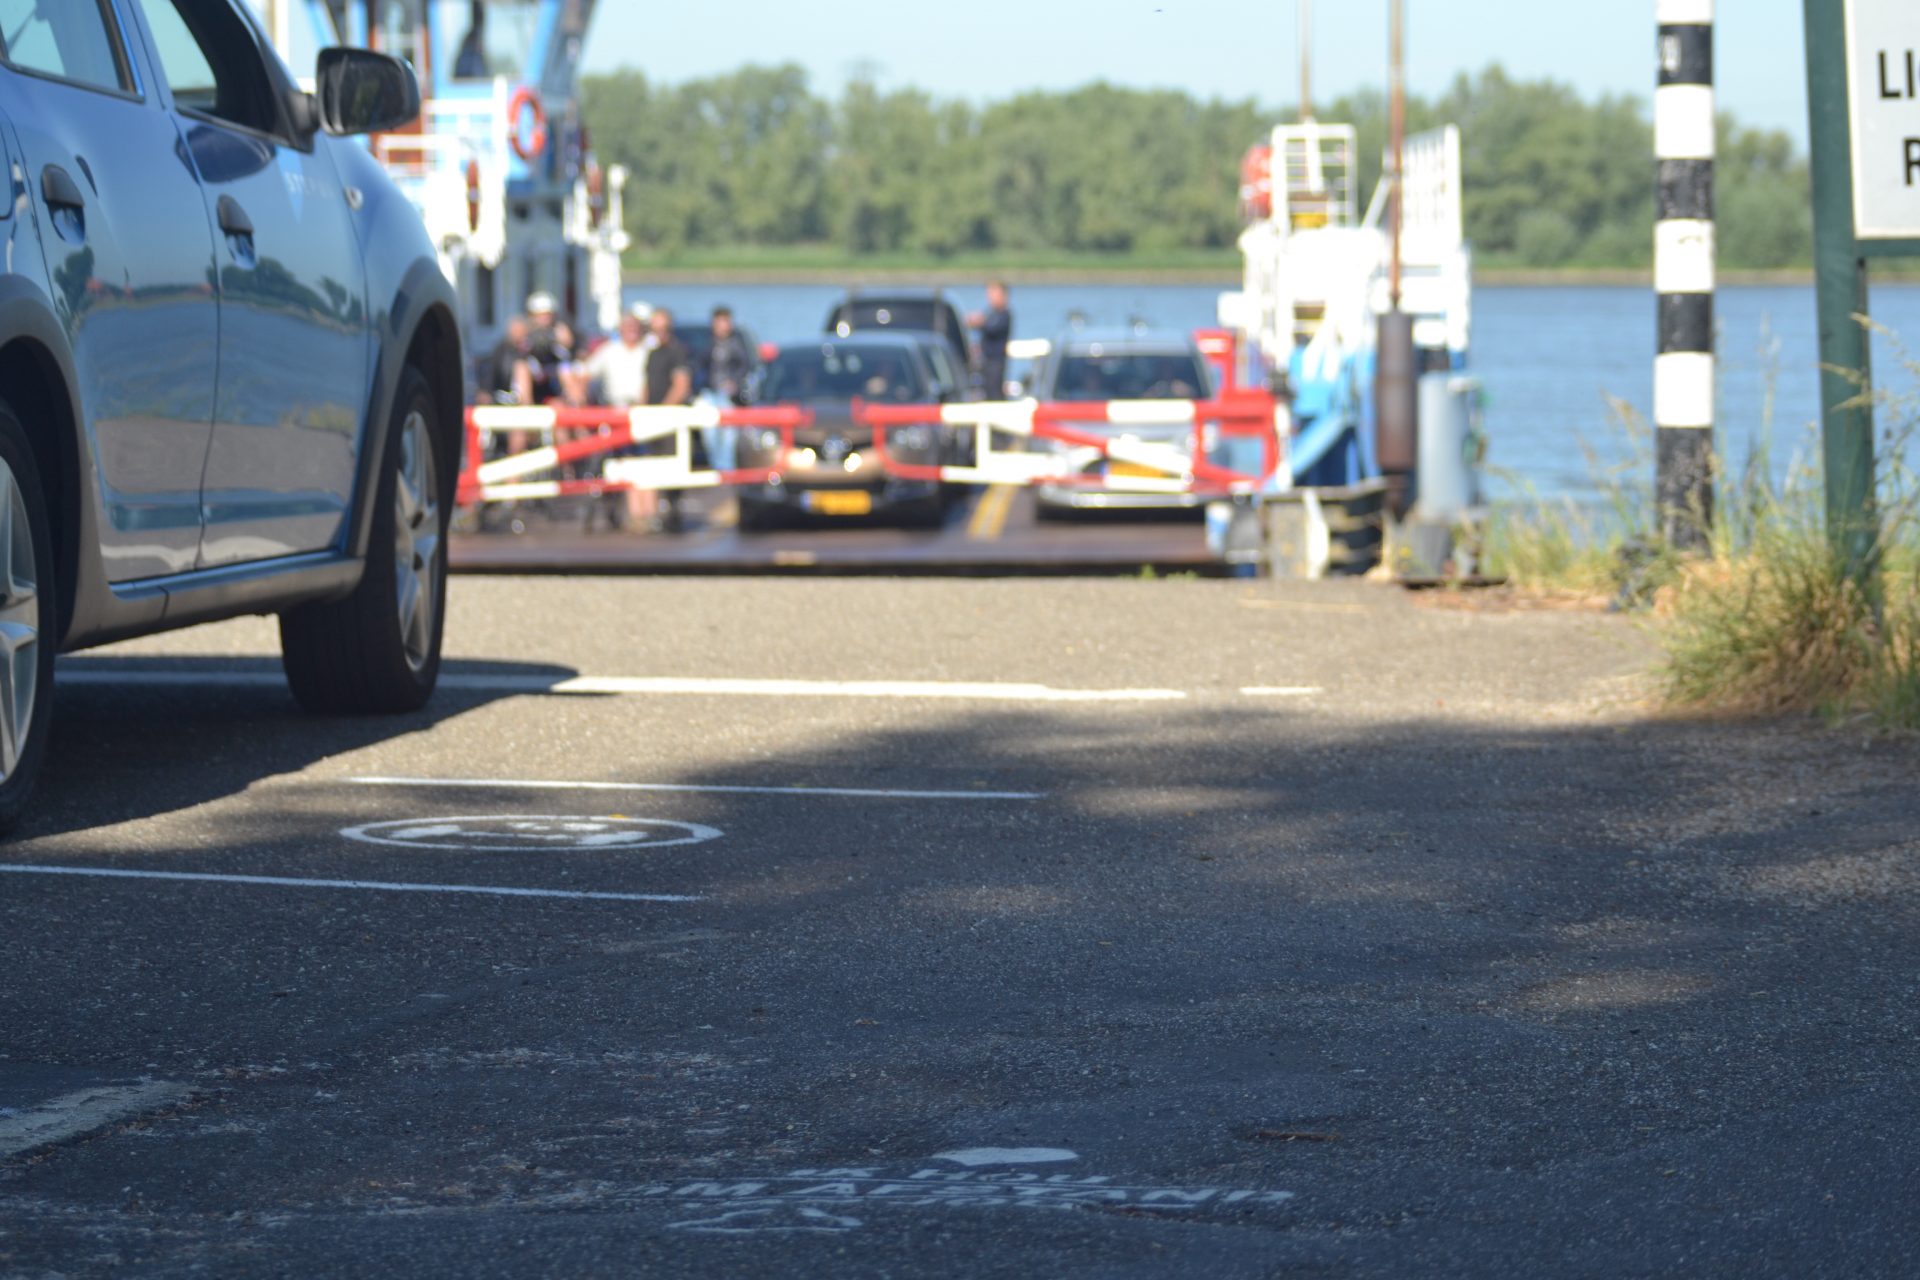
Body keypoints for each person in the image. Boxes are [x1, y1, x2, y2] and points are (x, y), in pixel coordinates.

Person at [639, 306, 693, 532]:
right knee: (654, 465)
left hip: (670, 419)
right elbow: (646, 384)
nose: (658, 332)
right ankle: (656, 514)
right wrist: (641, 410)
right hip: (652, 418)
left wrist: (663, 412)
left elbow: (681, 386)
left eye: (663, 328)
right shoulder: (652, 353)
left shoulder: (677, 351)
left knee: (673, 469)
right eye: (654, 328)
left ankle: (674, 513)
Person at [702, 305, 756, 473]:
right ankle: (716, 466)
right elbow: (699, 366)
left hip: (729, 395)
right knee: (710, 431)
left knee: (728, 434)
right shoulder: (708, 342)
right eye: (719, 322)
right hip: (710, 393)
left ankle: (727, 470)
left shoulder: (737, 342)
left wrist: (734, 382)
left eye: (725, 321)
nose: (722, 326)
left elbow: (746, 365)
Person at [968, 279, 1012, 399]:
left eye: (993, 293)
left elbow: (991, 328)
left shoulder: (1004, 314)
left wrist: (978, 322)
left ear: (1003, 295)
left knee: (995, 394)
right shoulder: (991, 313)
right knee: (986, 393)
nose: (990, 297)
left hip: (996, 363)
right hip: (986, 362)